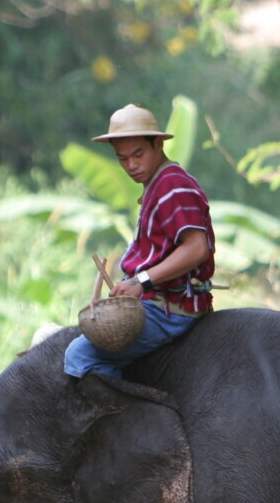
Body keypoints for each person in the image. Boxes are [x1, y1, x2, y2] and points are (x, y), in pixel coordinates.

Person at [64, 103, 215, 379]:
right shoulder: (156, 183)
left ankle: (128, 420)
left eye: (138, 154)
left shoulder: (173, 184)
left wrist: (139, 281)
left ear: (158, 144)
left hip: (170, 309)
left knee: (79, 356)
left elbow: (196, 248)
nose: (131, 166)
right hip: (156, 303)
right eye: (123, 159)